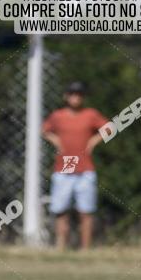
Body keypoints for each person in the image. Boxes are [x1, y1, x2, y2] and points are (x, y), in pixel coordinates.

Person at [42, 81, 109, 250]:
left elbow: (109, 128)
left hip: (85, 168)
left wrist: (94, 140)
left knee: (85, 211)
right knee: (60, 210)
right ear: (66, 96)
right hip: (64, 167)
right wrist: (55, 140)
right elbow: (44, 130)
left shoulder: (90, 114)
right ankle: (61, 247)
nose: (75, 97)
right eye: (72, 94)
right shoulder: (58, 116)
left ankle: (85, 249)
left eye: (79, 94)